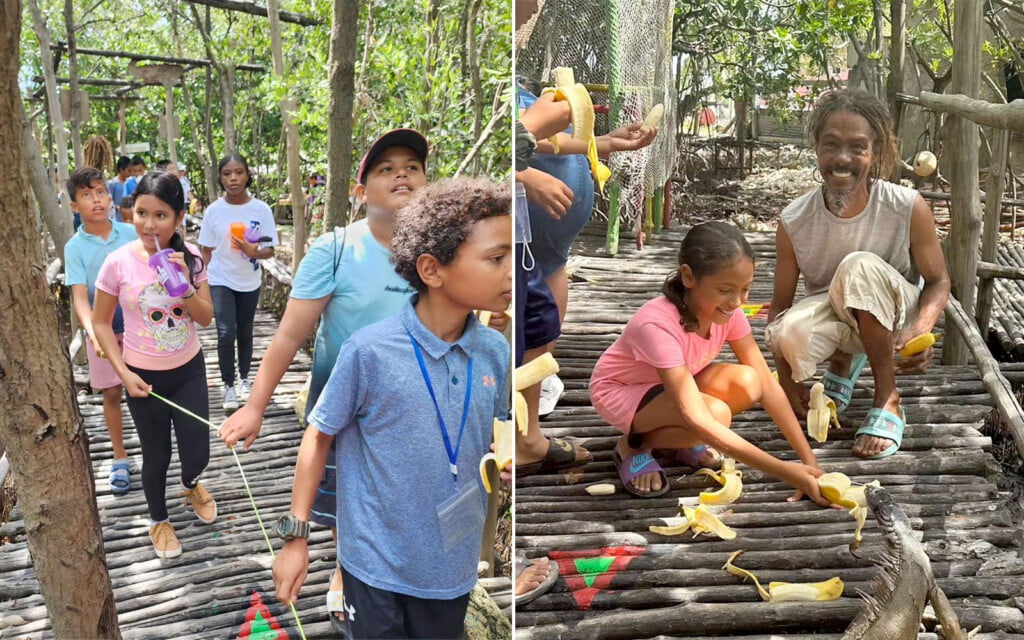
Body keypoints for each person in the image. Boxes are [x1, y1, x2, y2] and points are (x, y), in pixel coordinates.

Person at [271, 177, 512, 640]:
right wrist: (295, 538)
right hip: (373, 566)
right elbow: (318, 436)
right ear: (432, 270)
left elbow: (489, 433)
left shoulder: (494, 353)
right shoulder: (370, 352)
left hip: (451, 568)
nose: (510, 272)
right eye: (495, 258)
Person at [219, 129, 431, 637]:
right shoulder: (335, 250)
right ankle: (343, 568)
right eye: (385, 169)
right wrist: (254, 407)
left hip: (417, 407)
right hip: (344, 407)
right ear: (360, 191)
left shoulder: (443, 252)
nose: (401, 175)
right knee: (342, 498)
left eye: (412, 167)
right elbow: (289, 335)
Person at [765, 89, 950, 460]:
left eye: (857, 147)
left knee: (857, 266)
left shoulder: (907, 206)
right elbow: (779, 306)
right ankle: (842, 362)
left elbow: (939, 281)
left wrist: (921, 328)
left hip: (895, 314)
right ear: (816, 147)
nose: (842, 159)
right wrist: (785, 380)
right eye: (831, 145)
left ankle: (888, 398)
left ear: (875, 152)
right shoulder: (794, 220)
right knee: (786, 334)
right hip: (839, 315)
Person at [589, 222, 829, 504]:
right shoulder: (656, 325)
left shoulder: (728, 312)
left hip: (673, 385)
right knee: (716, 415)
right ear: (688, 276)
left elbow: (766, 384)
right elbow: (698, 417)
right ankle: (633, 445)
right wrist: (785, 471)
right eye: (725, 289)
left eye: (745, 289)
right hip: (622, 391)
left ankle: (677, 442)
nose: (737, 301)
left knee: (749, 381)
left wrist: (810, 463)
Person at [92, 171, 217, 559]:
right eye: (141, 213)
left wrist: (185, 284)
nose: (148, 224)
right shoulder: (117, 263)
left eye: (160, 215)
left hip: (189, 369)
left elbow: (206, 318)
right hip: (142, 376)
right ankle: (158, 519)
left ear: (179, 217)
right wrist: (124, 374)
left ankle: (190, 483)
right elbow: (100, 323)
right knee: (156, 455)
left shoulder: (191, 257)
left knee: (198, 453)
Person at [63, 168, 138, 495]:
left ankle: (153, 450)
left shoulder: (131, 233)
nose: (96, 200)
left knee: (146, 388)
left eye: (100, 192)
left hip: (139, 328)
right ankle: (120, 456)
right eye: (86, 195)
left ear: (110, 197)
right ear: (74, 205)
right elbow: (80, 297)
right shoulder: (74, 247)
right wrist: (93, 332)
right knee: (111, 392)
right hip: (102, 330)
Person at [198, 154, 279, 412]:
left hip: (249, 280)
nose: (233, 178)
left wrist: (254, 252)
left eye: (238, 172)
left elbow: (270, 249)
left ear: (247, 175)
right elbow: (206, 249)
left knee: (244, 331)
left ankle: (244, 378)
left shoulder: (261, 210)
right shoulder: (213, 211)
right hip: (220, 278)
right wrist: (197, 279)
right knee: (225, 333)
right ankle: (228, 384)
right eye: (227, 174)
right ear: (220, 178)